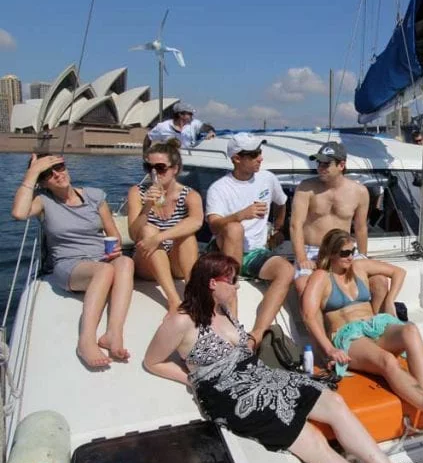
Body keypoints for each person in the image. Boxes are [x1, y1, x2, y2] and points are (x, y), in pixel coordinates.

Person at [144, 253, 402, 463]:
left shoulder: (222, 309)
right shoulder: (180, 321)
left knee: (333, 401)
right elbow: (153, 362)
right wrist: (191, 380)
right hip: (231, 395)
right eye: (232, 282)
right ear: (213, 283)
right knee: (313, 441)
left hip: (260, 375)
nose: (236, 287)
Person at [302, 229, 423, 439]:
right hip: (349, 336)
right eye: (345, 253)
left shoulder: (359, 267)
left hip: (375, 325)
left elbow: (398, 272)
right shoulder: (322, 277)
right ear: (331, 254)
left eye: (353, 251)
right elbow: (309, 315)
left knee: (410, 330)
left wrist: (390, 299)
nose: (351, 256)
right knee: (387, 361)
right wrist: (329, 349)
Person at [11, 154, 134, 368]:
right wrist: (32, 173)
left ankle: (113, 333)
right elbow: (19, 214)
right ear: (41, 182)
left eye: (59, 167)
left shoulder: (95, 196)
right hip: (69, 265)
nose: (57, 175)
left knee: (126, 263)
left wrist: (114, 249)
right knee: (104, 271)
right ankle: (85, 341)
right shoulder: (43, 200)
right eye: (48, 174)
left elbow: (112, 232)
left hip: (100, 258)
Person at [205, 133, 294, 349]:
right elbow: (214, 225)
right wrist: (241, 215)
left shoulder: (268, 179)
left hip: (255, 252)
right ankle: (231, 313)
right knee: (234, 228)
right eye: (254, 154)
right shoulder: (219, 188)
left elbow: (281, 202)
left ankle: (257, 333)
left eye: (259, 153)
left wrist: (279, 229)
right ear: (236, 158)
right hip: (224, 250)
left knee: (287, 271)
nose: (260, 158)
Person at [290, 141, 387, 312]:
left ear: (342, 165)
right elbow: (295, 225)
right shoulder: (306, 188)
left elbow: (360, 228)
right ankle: (322, 333)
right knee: (304, 286)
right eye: (319, 163)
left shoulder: (360, 191)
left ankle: (375, 323)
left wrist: (362, 257)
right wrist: (302, 258)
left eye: (326, 164)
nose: (320, 167)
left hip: (346, 250)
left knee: (380, 281)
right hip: (312, 251)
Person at [127, 139, 203, 312]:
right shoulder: (137, 192)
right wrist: (147, 207)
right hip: (147, 263)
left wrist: (159, 238)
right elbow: (133, 234)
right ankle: (173, 299)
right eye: (149, 167)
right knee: (147, 229)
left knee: (187, 234)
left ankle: (193, 294)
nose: (154, 173)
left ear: (175, 169)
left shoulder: (189, 195)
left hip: (176, 264)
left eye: (160, 168)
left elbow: (196, 221)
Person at [144, 102, 214, 151]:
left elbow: (207, 127)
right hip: (171, 160)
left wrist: (210, 132)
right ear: (180, 114)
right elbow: (148, 137)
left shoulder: (194, 123)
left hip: (190, 158)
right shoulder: (163, 127)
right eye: (189, 114)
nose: (192, 116)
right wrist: (145, 154)